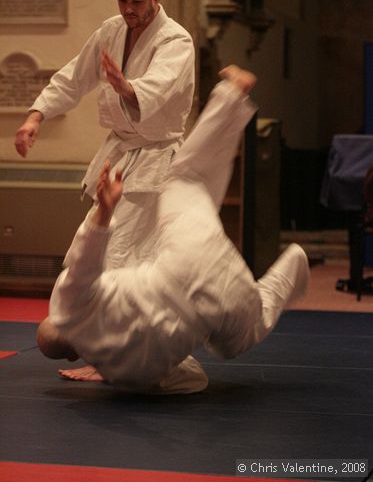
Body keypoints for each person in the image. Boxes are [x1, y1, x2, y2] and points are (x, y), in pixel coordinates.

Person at [36, 65, 310, 395]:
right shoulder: (71, 304)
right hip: (187, 255)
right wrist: (104, 213)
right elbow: (85, 257)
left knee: (241, 336)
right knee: (185, 177)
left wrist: (109, 372)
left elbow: (194, 379)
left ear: (74, 354)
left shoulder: (128, 371)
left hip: (215, 302)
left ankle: (295, 263)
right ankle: (232, 95)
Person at [14, 0, 195, 268]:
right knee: (100, 241)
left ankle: (105, 310)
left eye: (137, 1)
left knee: (121, 251)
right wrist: (36, 116)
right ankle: (92, 309)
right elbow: (74, 78)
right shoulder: (111, 31)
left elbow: (159, 86)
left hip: (155, 159)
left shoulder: (176, 41)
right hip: (119, 155)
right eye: (122, 0)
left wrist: (126, 87)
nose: (128, 9)